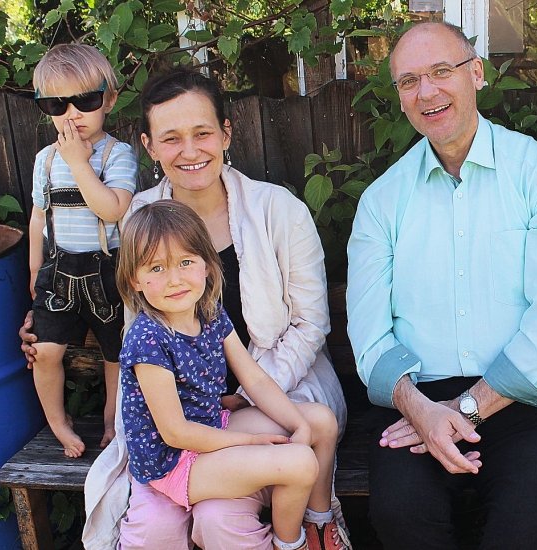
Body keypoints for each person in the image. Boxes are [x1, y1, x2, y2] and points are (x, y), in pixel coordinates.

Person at [20, 67, 348, 550]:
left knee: (233, 507)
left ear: (226, 134)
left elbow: (310, 324)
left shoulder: (279, 210)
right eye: (171, 138)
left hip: (280, 385)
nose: (190, 151)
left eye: (202, 133)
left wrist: (246, 398)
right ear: (149, 146)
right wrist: (44, 315)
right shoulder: (141, 218)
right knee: (177, 523)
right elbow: (128, 318)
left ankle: (319, 526)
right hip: (185, 414)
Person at [346, 22, 537, 550]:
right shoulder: (381, 202)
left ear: (476, 73)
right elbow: (369, 338)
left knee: (519, 535)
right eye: (410, 80)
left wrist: (463, 411)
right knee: (401, 518)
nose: (427, 91)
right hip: (417, 401)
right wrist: (421, 411)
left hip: (533, 395)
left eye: (442, 71)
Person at [115, 200, 338, 550]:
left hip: (212, 427)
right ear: (135, 279)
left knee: (321, 421)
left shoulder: (209, 313)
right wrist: (250, 443)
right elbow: (176, 432)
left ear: (206, 265)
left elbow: (256, 379)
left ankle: (320, 525)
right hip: (174, 463)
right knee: (299, 462)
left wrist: (298, 424)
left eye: (186, 262)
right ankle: (289, 544)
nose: (174, 279)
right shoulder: (147, 339)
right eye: (156, 268)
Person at [28, 43, 138, 457]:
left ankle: (113, 417)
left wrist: (79, 164)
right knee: (44, 351)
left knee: (116, 351)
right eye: (58, 104)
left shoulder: (117, 154)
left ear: (108, 99)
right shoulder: (44, 160)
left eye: (86, 100)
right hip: (58, 270)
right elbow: (40, 219)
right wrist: (35, 275)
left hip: (107, 270)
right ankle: (58, 421)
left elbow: (112, 207)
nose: (72, 114)